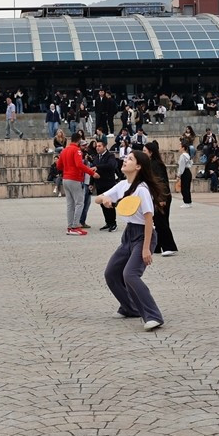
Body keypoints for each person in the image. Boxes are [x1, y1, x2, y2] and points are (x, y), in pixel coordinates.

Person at [97, 150, 166, 331]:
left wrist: (146, 249)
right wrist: (104, 199)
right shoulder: (121, 185)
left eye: (130, 159)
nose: (125, 160)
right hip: (128, 235)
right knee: (111, 273)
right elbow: (98, 197)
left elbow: (149, 219)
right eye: (125, 158)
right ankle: (130, 307)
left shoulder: (142, 189)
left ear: (138, 166)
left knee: (130, 275)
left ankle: (153, 316)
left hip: (144, 234)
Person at [57, 131, 97, 236]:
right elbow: (79, 165)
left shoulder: (64, 150)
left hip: (66, 179)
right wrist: (92, 173)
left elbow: (59, 166)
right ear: (79, 140)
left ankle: (70, 226)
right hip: (75, 179)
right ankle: (75, 226)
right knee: (80, 203)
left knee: (70, 204)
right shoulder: (77, 150)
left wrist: (67, 169)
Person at [146, 141, 177, 255]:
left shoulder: (156, 165)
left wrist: (161, 199)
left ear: (151, 152)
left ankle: (169, 246)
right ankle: (157, 246)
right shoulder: (151, 164)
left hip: (162, 197)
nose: (143, 153)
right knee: (157, 221)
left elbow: (162, 182)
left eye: (145, 151)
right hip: (157, 196)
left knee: (161, 222)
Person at [176, 139, 193, 208]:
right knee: (187, 187)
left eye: (180, 146)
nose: (179, 148)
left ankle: (186, 202)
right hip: (188, 171)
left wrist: (178, 175)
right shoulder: (188, 155)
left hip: (185, 172)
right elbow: (191, 163)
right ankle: (188, 201)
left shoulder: (183, 156)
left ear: (183, 148)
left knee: (184, 188)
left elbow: (181, 167)